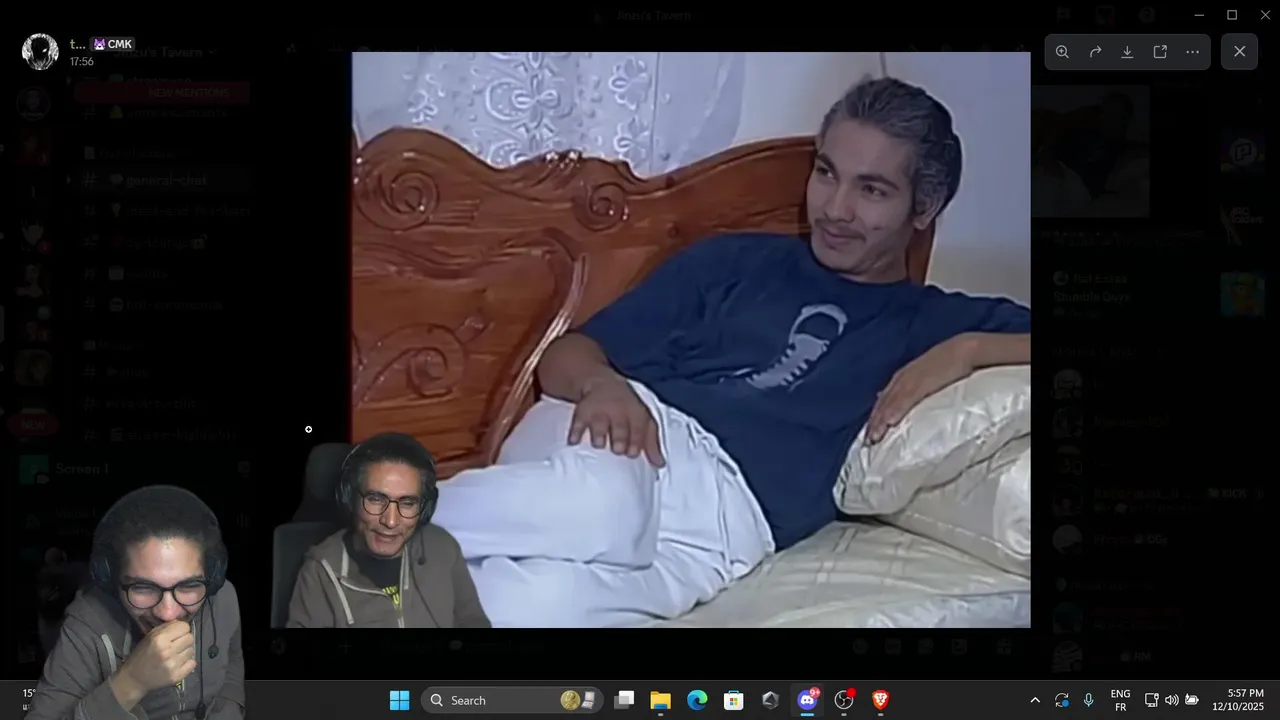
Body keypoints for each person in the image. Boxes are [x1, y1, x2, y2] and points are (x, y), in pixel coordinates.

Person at [427, 76, 1032, 627]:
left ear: (924, 208)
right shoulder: (735, 262)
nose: (835, 208)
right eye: (826, 173)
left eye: (871, 189)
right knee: (603, 509)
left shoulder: (930, 321)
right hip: (633, 435)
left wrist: (968, 350)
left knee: (527, 608)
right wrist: (602, 385)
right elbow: (568, 353)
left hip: (728, 535)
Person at [27, 486, 244, 719]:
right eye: (143, 587)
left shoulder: (225, 598)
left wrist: (228, 711)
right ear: (112, 578)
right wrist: (131, 682)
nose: (168, 613)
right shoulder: (86, 624)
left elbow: (231, 675)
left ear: (212, 577)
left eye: (189, 586)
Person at [286, 432, 491, 628]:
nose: (391, 521)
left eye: (407, 503)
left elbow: (474, 623)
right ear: (351, 499)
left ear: (424, 509)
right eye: (376, 499)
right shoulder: (321, 572)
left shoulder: (443, 548)